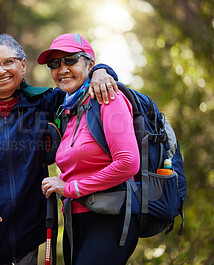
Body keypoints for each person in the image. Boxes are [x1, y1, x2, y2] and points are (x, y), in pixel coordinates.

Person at [0, 33, 119, 265]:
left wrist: (100, 70)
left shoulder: (46, 103)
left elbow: (77, 79)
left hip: (24, 246)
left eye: (8, 62)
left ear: (23, 64)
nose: (0, 71)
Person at [39, 33, 141, 264]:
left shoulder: (107, 98)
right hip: (75, 220)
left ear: (90, 65)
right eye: (55, 64)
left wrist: (71, 188)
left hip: (110, 217)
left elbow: (128, 163)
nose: (62, 68)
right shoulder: (67, 108)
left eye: (71, 60)